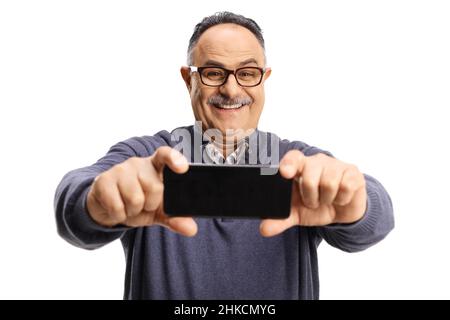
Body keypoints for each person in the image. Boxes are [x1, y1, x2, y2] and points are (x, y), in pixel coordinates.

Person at [54, 11, 394, 300]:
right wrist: (97, 202)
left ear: (264, 80)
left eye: (247, 73)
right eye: (214, 73)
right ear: (189, 81)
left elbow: (377, 217)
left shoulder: (298, 164)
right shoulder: (147, 158)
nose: (232, 90)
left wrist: (356, 205)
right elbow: (74, 204)